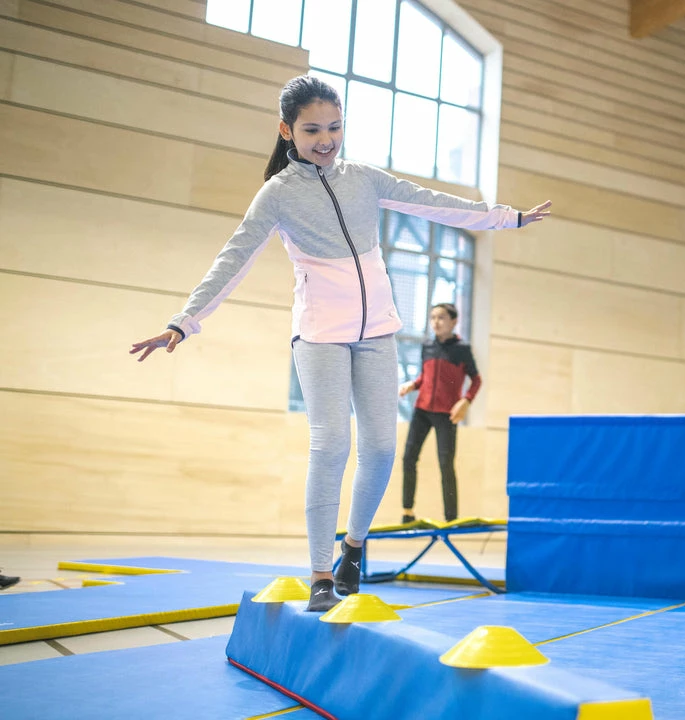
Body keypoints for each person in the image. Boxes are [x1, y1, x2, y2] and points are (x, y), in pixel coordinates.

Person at [130, 75, 551, 612]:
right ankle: (320, 575)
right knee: (331, 446)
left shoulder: (363, 179)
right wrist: (184, 322)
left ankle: (354, 546)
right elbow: (232, 258)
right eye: (312, 130)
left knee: (380, 448)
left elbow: (431, 203)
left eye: (334, 127)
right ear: (287, 130)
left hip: (376, 332)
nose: (326, 139)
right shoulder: (278, 194)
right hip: (320, 335)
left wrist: (506, 219)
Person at [398, 303, 478, 524]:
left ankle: (451, 518)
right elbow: (425, 377)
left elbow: (476, 380)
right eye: (433, 317)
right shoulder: (427, 346)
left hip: (446, 414)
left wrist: (466, 401)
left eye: (441, 317)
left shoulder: (462, 349)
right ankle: (407, 512)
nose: (436, 322)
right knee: (408, 458)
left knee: (446, 464)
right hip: (422, 410)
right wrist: (412, 385)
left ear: (454, 321)